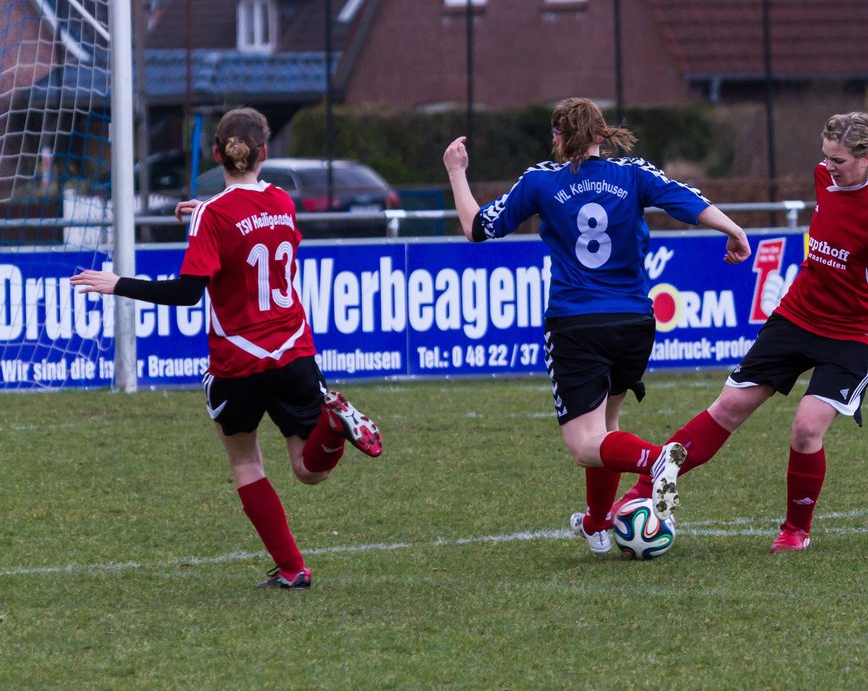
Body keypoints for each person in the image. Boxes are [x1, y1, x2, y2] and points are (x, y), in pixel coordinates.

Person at [70, 107, 383, 590]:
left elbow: (187, 292)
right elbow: (251, 220)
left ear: (216, 154)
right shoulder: (283, 202)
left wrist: (117, 284)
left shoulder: (213, 216)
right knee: (308, 471)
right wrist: (204, 211)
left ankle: (292, 568)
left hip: (237, 362)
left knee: (245, 461)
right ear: (265, 153)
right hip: (294, 352)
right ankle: (333, 426)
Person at [614, 111, 868, 553]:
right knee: (728, 405)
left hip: (854, 332)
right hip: (799, 314)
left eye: (839, 161)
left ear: (867, 158)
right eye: (825, 157)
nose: (828, 167)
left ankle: (795, 531)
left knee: (807, 428)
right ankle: (640, 493)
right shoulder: (825, 179)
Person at [443, 97, 752, 555]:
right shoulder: (633, 173)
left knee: (586, 445)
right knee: (606, 425)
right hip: (633, 321)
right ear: (601, 136)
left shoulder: (541, 181)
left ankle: (655, 459)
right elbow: (687, 201)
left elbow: (476, 228)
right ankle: (597, 524)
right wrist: (735, 230)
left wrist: (455, 170)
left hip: (576, 322)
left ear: (557, 137)